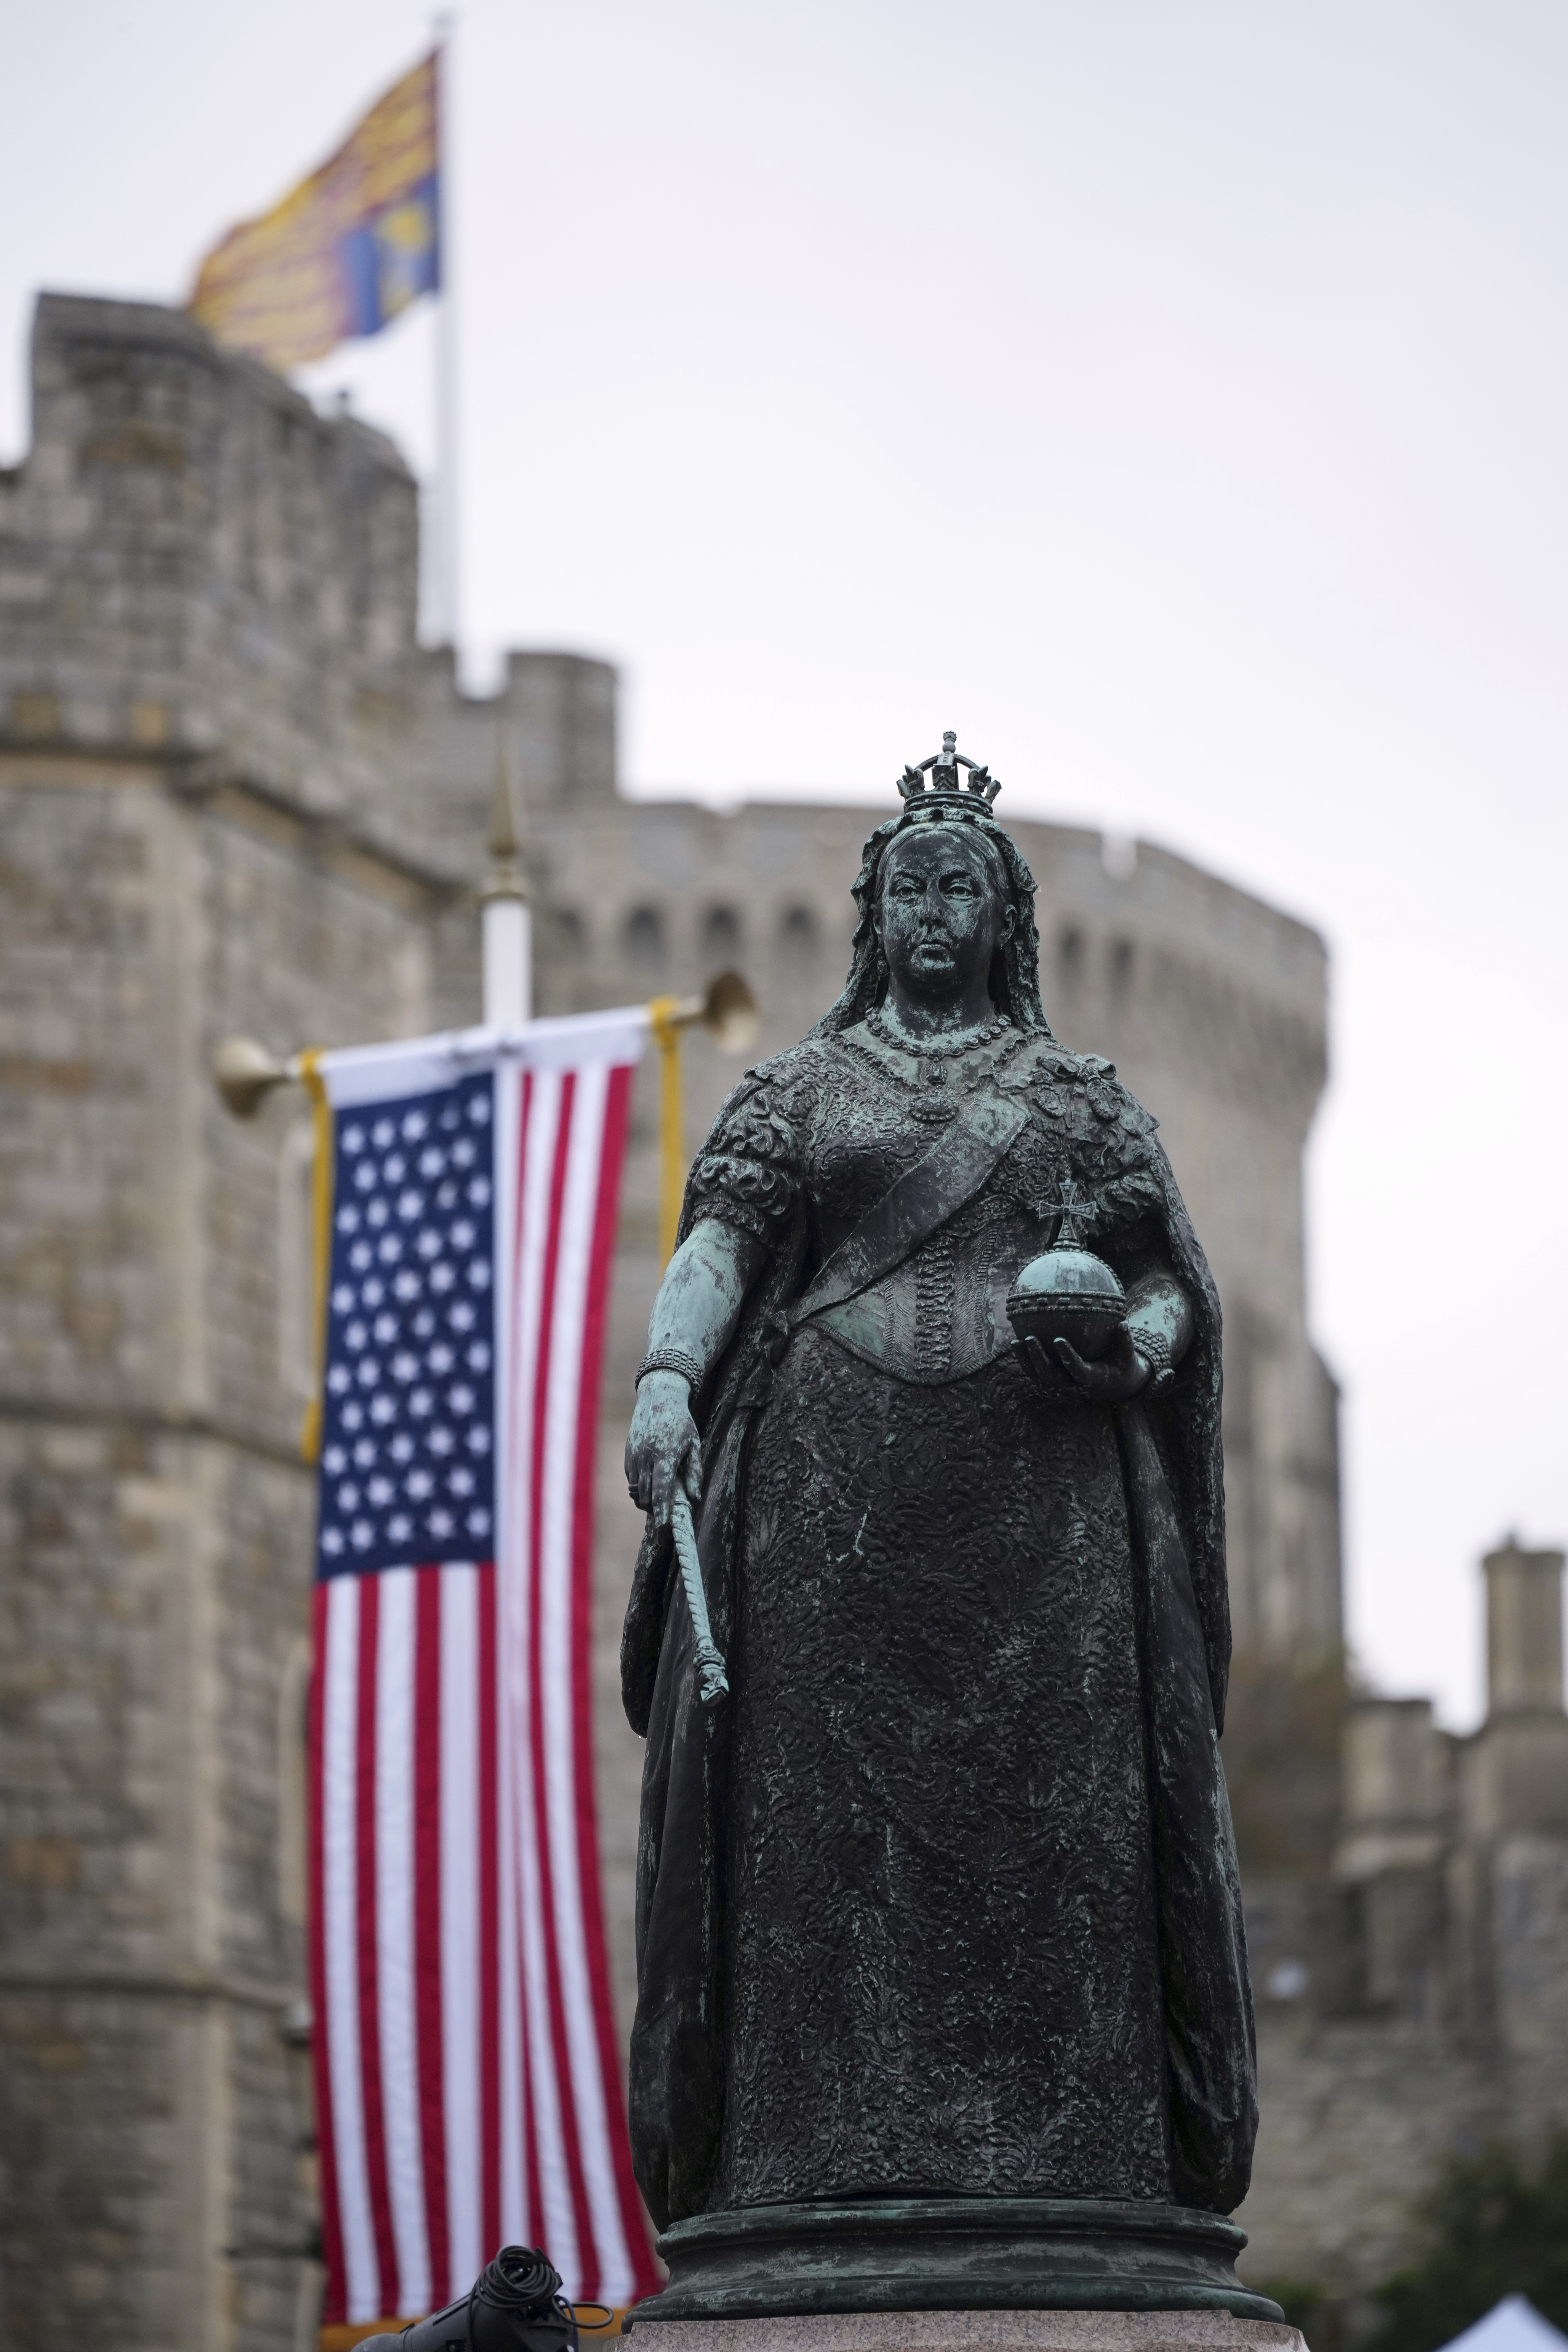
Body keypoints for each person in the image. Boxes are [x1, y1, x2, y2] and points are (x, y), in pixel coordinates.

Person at [621, 750, 1257, 2238]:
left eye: (956, 885)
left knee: (1060, 1835)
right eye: (906, 885)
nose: (928, 909)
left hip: (1047, 1527)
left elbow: (1174, 1282)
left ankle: (1074, 2167)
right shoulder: (800, 1091)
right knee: (814, 1843)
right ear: (872, 912)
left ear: (1002, 916)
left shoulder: (1074, 1100)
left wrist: (1131, 1343)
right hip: (826, 1506)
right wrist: (664, 1372)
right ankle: (805, 2163)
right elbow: (721, 1241)